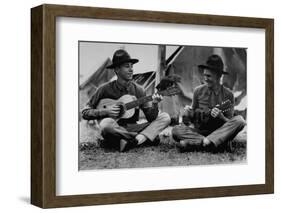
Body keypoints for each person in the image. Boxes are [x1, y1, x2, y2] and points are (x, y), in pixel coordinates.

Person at [82, 49, 171, 152]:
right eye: (127, 66)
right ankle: (144, 137)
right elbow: (85, 112)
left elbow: (151, 118)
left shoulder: (139, 90)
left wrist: (155, 104)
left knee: (165, 117)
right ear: (117, 69)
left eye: (132, 66)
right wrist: (106, 112)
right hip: (114, 127)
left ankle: (132, 141)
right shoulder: (104, 89)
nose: (131, 70)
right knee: (105, 124)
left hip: (133, 128)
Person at [171, 54, 246, 152]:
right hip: (200, 132)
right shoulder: (198, 91)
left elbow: (230, 123)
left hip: (219, 132)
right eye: (204, 75)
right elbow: (192, 117)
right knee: (176, 130)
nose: (205, 78)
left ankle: (195, 143)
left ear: (218, 76)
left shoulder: (228, 95)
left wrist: (221, 117)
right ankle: (210, 143)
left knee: (240, 120)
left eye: (208, 76)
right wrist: (188, 114)